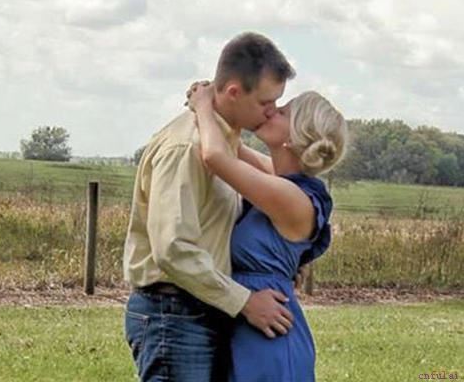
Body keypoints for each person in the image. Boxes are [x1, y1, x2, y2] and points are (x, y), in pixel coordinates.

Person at [122, 32, 300, 381]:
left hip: (203, 306)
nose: (272, 111)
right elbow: (173, 249)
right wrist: (245, 302)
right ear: (233, 91)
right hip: (173, 311)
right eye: (265, 101)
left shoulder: (223, 143)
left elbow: (282, 184)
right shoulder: (186, 148)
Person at [188, 82, 348, 381]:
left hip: (269, 338)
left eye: (283, 112)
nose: (272, 110)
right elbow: (234, 148)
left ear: (293, 138)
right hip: (248, 325)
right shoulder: (280, 180)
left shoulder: (292, 197)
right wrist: (223, 103)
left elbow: (217, 157)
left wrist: (203, 106)